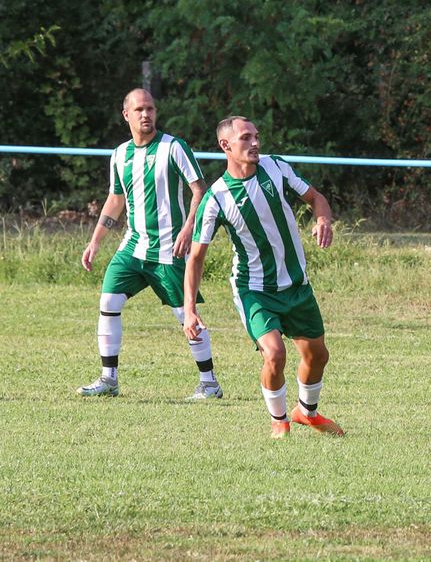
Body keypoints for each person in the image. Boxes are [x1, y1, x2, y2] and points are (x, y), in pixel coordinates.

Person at [182, 116, 343, 439]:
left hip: (296, 285)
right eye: (246, 138)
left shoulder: (276, 168)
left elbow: (317, 198)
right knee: (275, 353)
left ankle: (306, 413)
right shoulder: (216, 198)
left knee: (317, 355)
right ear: (226, 146)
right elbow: (196, 257)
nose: (255, 143)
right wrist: (189, 308)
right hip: (254, 289)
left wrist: (323, 219)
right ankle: (279, 421)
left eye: (256, 136)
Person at [77, 88, 222, 399]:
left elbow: (200, 190)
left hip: (169, 249)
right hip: (132, 246)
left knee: (186, 315)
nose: (146, 114)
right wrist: (95, 242)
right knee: (108, 303)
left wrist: (188, 229)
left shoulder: (173, 147)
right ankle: (109, 379)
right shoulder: (119, 154)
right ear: (126, 115)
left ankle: (210, 383)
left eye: (151, 109)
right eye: (140, 109)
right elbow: (115, 199)